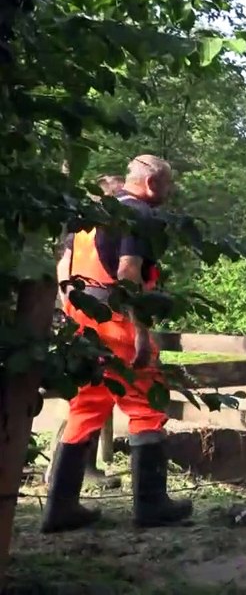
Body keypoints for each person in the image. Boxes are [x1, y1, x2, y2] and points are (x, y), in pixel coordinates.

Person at [42, 155, 193, 533]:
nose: (170, 191)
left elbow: (62, 270)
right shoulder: (137, 215)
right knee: (145, 404)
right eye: (168, 184)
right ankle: (151, 505)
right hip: (117, 323)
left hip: (84, 325)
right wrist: (141, 331)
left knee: (86, 408)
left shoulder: (89, 217)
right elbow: (128, 272)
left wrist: (73, 319)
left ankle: (60, 508)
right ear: (153, 183)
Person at [47, 174, 127, 490]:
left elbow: (63, 269)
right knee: (85, 397)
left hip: (81, 315)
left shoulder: (81, 230)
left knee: (86, 395)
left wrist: (69, 304)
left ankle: (75, 470)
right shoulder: (104, 230)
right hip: (96, 319)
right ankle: (67, 472)